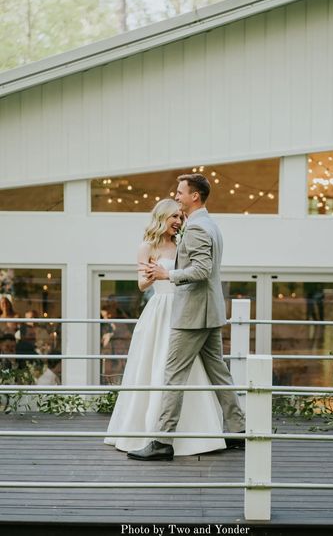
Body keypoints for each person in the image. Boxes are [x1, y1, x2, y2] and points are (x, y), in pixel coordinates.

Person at [128, 174, 245, 461]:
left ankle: (162, 441)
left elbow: (202, 270)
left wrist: (169, 274)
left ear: (195, 196)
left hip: (192, 315)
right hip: (209, 312)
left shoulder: (196, 229)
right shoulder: (211, 225)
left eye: (180, 192)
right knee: (219, 373)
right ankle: (239, 431)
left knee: (173, 375)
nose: (177, 196)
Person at [104, 198, 226, 456]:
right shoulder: (146, 247)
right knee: (154, 365)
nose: (178, 222)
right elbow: (141, 285)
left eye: (180, 218)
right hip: (160, 310)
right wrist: (153, 274)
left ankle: (193, 433)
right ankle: (148, 429)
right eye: (173, 217)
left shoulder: (183, 243)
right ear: (162, 218)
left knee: (185, 370)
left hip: (184, 309)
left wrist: (167, 273)